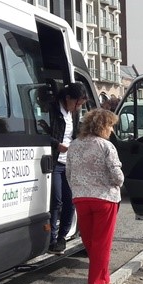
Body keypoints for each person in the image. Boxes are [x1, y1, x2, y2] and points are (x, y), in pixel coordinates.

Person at [67, 109, 123, 284]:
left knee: (90, 242)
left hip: (81, 197)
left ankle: (104, 278)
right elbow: (117, 176)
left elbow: (69, 172)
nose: (112, 130)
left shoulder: (74, 145)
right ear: (103, 126)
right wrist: (119, 181)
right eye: (111, 126)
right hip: (104, 198)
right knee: (102, 243)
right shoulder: (106, 146)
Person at [44, 82, 89, 254]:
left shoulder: (74, 114)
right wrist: (56, 145)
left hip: (70, 162)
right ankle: (52, 239)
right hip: (55, 162)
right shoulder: (52, 110)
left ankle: (62, 237)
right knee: (56, 200)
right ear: (67, 98)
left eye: (81, 105)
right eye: (76, 103)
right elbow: (41, 131)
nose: (77, 108)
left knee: (71, 201)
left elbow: (75, 133)